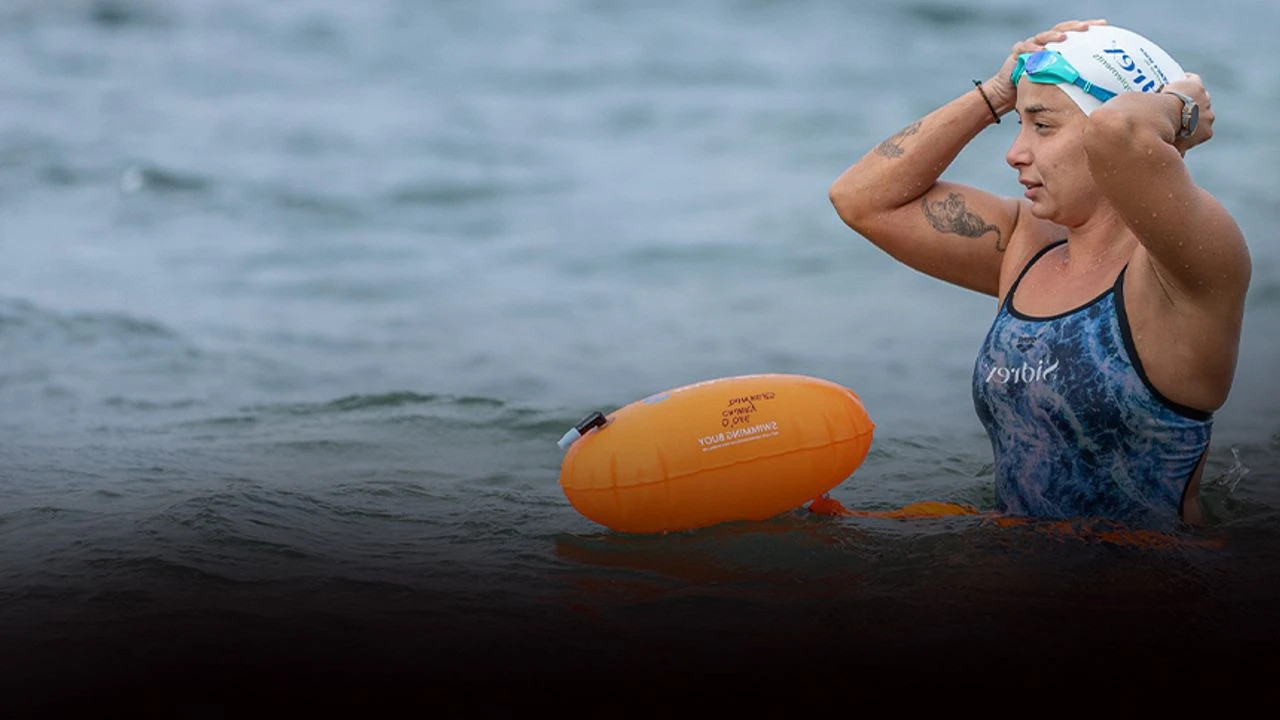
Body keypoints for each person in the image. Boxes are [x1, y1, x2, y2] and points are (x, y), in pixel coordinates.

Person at [827, 19, 1250, 530]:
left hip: (1147, 575)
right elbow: (860, 199)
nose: (1015, 153)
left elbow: (1121, 131)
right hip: (1014, 562)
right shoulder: (1026, 246)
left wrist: (1181, 107)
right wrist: (994, 94)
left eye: (1043, 126)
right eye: (1019, 123)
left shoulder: (1187, 268)